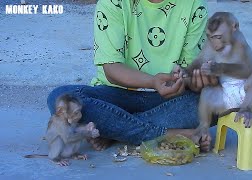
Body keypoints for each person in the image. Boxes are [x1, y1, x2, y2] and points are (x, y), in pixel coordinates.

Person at [47, 0, 217, 152]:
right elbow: (111, 68)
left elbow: (188, 72)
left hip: (166, 100)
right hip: (114, 94)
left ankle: (115, 130)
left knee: (215, 102)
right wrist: (152, 81)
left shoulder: (194, 4)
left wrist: (198, 80)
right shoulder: (113, 2)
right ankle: (166, 133)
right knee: (60, 98)